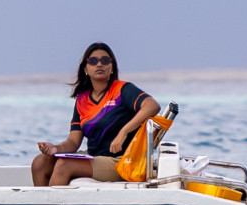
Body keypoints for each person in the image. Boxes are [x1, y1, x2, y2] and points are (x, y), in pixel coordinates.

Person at [31, 42, 159, 186]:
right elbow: (73, 142)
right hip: (94, 157)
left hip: (120, 161)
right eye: (93, 61)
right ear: (86, 68)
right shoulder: (82, 99)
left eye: (105, 60)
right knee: (40, 162)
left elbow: (152, 106)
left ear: (111, 68)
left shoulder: (123, 89)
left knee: (64, 165)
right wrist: (55, 148)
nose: (99, 64)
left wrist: (124, 132)